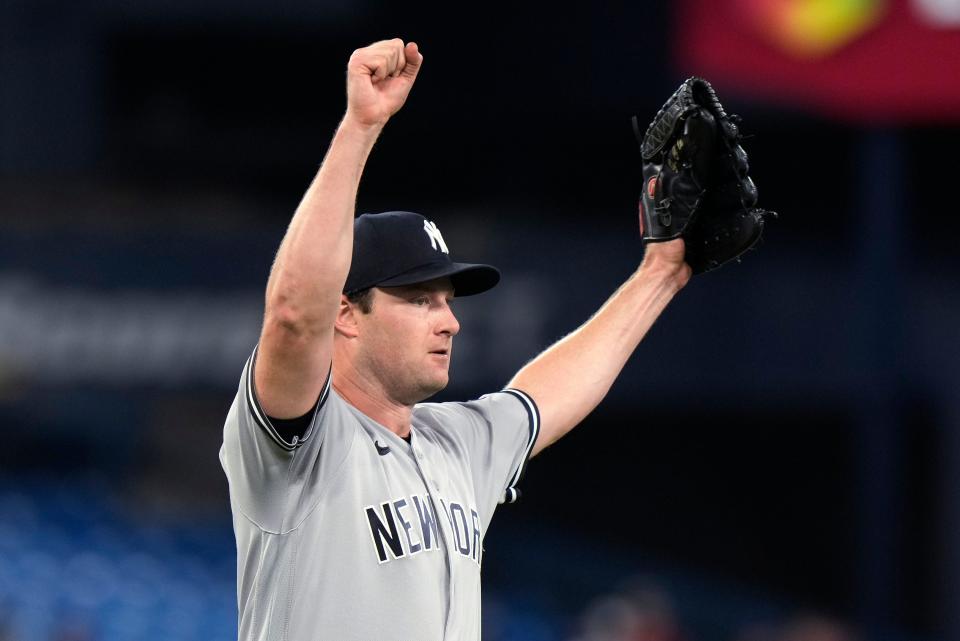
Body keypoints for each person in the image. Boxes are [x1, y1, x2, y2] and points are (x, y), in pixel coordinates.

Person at [219, 37, 690, 641]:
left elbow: (544, 395)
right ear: (346, 312)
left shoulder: (455, 445)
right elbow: (291, 313)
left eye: (447, 300)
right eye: (418, 300)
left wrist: (661, 275)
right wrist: (361, 127)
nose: (449, 320)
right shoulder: (295, 446)